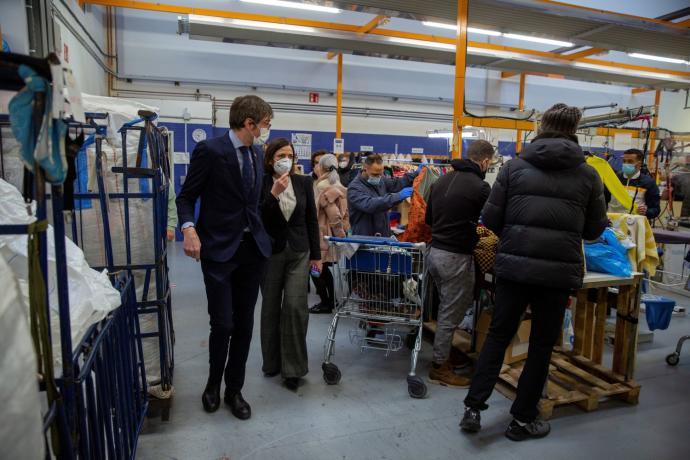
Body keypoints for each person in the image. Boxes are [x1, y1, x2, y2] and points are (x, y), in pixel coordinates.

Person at [461, 103, 607, 441]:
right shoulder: (588, 174)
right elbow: (594, 231)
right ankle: (522, 420)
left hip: (514, 267)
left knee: (498, 335)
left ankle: (473, 406)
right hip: (557, 275)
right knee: (541, 345)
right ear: (575, 129)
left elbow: (491, 221)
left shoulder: (513, 168)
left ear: (541, 126)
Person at [176, 95, 273, 420]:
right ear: (249, 123)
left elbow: (255, 202)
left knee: (244, 324)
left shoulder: (258, 154)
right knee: (223, 323)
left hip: (251, 251)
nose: (266, 131)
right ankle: (212, 384)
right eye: (265, 124)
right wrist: (189, 229)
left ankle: (234, 390)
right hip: (218, 250)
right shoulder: (211, 151)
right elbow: (187, 196)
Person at [425, 140, 494, 387]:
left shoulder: (440, 181)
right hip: (456, 258)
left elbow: (429, 219)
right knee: (450, 314)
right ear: (485, 161)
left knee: (445, 308)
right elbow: (492, 223)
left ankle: (443, 353)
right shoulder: (481, 187)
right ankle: (439, 367)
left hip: (435, 253)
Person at [260, 138, 321, 391]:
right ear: (270, 158)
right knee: (271, 307)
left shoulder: (304, 182)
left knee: (296, 307)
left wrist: (317, 255)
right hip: (270, 252)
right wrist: (273, 194)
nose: (286, 159)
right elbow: (258, 216)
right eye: (281, 155)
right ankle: (272, 363)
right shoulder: (261, 182)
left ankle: (293, 368)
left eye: (290, 155)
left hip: (299, 250)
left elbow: (311, 220)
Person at [310, 154, 350, 314]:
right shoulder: (337, 183)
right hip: (327, 235)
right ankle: (331, 300)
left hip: (321, 234)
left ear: (321, 167)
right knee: (324, 269)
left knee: (315, 268)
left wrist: (340, 235)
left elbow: (334, 214)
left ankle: (326, 302)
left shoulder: (323, 186)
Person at [347, 154, 419, 236]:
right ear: (365, 169)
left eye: (380, 174)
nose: (378, 177)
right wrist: (398, 196)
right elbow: (371, 204)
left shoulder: (381, 180)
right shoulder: (354, 188)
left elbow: (396, 184)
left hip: (382, 235)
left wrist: (415, 175)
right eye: (374, 174)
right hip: (364, 238)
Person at [605, 148, 660, 221]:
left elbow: (656, 209)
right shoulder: (613, 179)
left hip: (634, 225)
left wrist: (647, 211)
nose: (626, 164)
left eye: (630, 161)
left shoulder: (648, 183)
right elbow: (603, 201)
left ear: (639, 164)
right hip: (611, 222)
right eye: (624, 161)